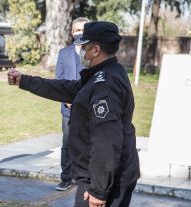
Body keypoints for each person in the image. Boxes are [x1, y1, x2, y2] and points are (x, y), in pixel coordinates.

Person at [8, 21, 140, 207]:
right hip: (102, 176)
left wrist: (99, 191)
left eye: (84, 48)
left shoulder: (105, 85)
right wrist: (25, 81)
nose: (82, 53)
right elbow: (68, 88)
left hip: (103, 180)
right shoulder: (102, 74)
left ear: (96, 49)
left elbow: (106, 141)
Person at [55, 17, 89, 191]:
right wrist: (66, 99)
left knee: (87, 142)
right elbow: (59, 79)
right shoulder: (63, 53)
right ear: (72, 32)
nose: (79, 33)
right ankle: (66, 177)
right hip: (67, 106)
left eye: (83, 29)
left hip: (88, 106)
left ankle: (85, 177)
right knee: (67, 143)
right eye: (76, 30)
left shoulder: (93, 52)